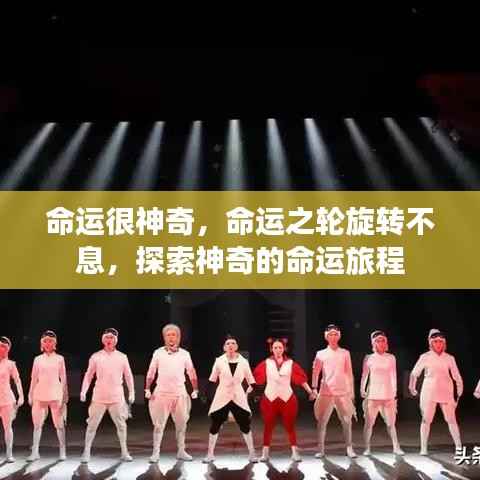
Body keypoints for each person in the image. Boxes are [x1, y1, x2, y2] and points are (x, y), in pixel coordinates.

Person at [253, 338, 316, 462]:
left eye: (280, 347)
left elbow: (301, 380)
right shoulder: (266, 363)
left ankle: (295, 453)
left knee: (290, 426)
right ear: (271, 349)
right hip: (269, 398)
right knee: (268, 426)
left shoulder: (290, 363)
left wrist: (310, 392)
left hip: (287, 398)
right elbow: (255, 379)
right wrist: (245, 393)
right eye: (275, 348)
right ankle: (265, 454)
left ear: (284, 349)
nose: (278, 350)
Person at [145, 324, 198, 462]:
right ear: (164, 337)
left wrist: (195, 389)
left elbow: (191, 372)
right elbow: (151, 371)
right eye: (168, 335)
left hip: (180, 394)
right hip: (162, 393)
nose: (171, 337)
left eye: (173, 335)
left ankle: (181, 451)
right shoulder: (158, 353)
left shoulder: (185, 354)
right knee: (158, 425)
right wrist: (147, 388)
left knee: (181, 424)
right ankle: (155, 453)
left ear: (178, 337)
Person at [80, 328, 135, 463]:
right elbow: (88, 375)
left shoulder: (122, 357)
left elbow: (128, 376)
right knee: (92, 425)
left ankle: (124, 452)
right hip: (99, 396)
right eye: (107, 337)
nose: (109, 340)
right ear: (103, 340)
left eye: (111, 338)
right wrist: (83, 391)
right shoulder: (96, 356)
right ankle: (86, 452)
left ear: (115, 340)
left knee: (121, 425)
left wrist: (132, 391)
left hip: (117, 397)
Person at [203, 335, 257, 463]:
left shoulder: (244, 362)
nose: (230, 345)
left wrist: (256, 394)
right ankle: (210, 454)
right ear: (224, 347)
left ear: (237, 346)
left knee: (245, 425)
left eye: (233, 343)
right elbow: (212, 379)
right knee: (215, 424)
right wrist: (205, 394)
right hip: (222, 396)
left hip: (238, 396)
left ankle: (252, 454)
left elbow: (251, 380)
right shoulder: (219, 361)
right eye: (228, 343)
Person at [409, 329, 463, 455]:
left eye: (440, 341)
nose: (438, 344)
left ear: (444, 343)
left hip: (446, 391)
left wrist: (459, 390)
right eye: (435, 341)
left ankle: (459, 447)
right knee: (426, 419)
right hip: (429, 391)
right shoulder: (425, 357)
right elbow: (414, 373)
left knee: (451, 419)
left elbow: (457, 376)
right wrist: (412, 387)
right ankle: (423, 448)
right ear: (430, 343)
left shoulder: (449, 358)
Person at [312, 324, 356, 459]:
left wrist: (351, 391)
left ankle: (349, 447)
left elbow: (349, 373)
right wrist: (314, 388)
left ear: (339, 336)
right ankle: (321, 449)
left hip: (342, 391)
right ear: (326, 336)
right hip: (326, 391)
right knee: (322, 421)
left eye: (335, 334)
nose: (333, 336)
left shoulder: (345, 353)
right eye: (330, 334)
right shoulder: (321, 354)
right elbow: (315, 372)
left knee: (347, 420)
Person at [360, 330, 404, 456]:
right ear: (373, 343)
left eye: (383, 340)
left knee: (391, 423)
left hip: (388, 395)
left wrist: (394, 391)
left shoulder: (391, 358)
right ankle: (367, 448)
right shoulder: (369, 358)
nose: (380, 343)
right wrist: (362, 389)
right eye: (378, 341)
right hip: (373, 395)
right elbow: (365, 375)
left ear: (386, 343)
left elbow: (393, 375)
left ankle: (396, 447)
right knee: (369, 423)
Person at [27, 330, 68, 461]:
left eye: (50, 341)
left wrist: (64, 395)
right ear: (42, 343)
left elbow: (63, 378)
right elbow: (33, 378)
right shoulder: (37, 359)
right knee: (37, 424)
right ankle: (35, 452)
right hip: (40, 394)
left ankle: (62, 451)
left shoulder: (60, 359)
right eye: (45, 341)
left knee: (59, 424)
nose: (48, 343)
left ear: (54, 343)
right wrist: (30, 394)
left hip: (55, 394)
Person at [0, 336, 24, 462]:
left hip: (6, 399)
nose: (1, 348)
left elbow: (17, 380)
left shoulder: (10, 364)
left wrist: (21, 395)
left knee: (7, 427)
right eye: (0, 346)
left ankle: (9, 454)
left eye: (4, 346)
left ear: (8, 348)